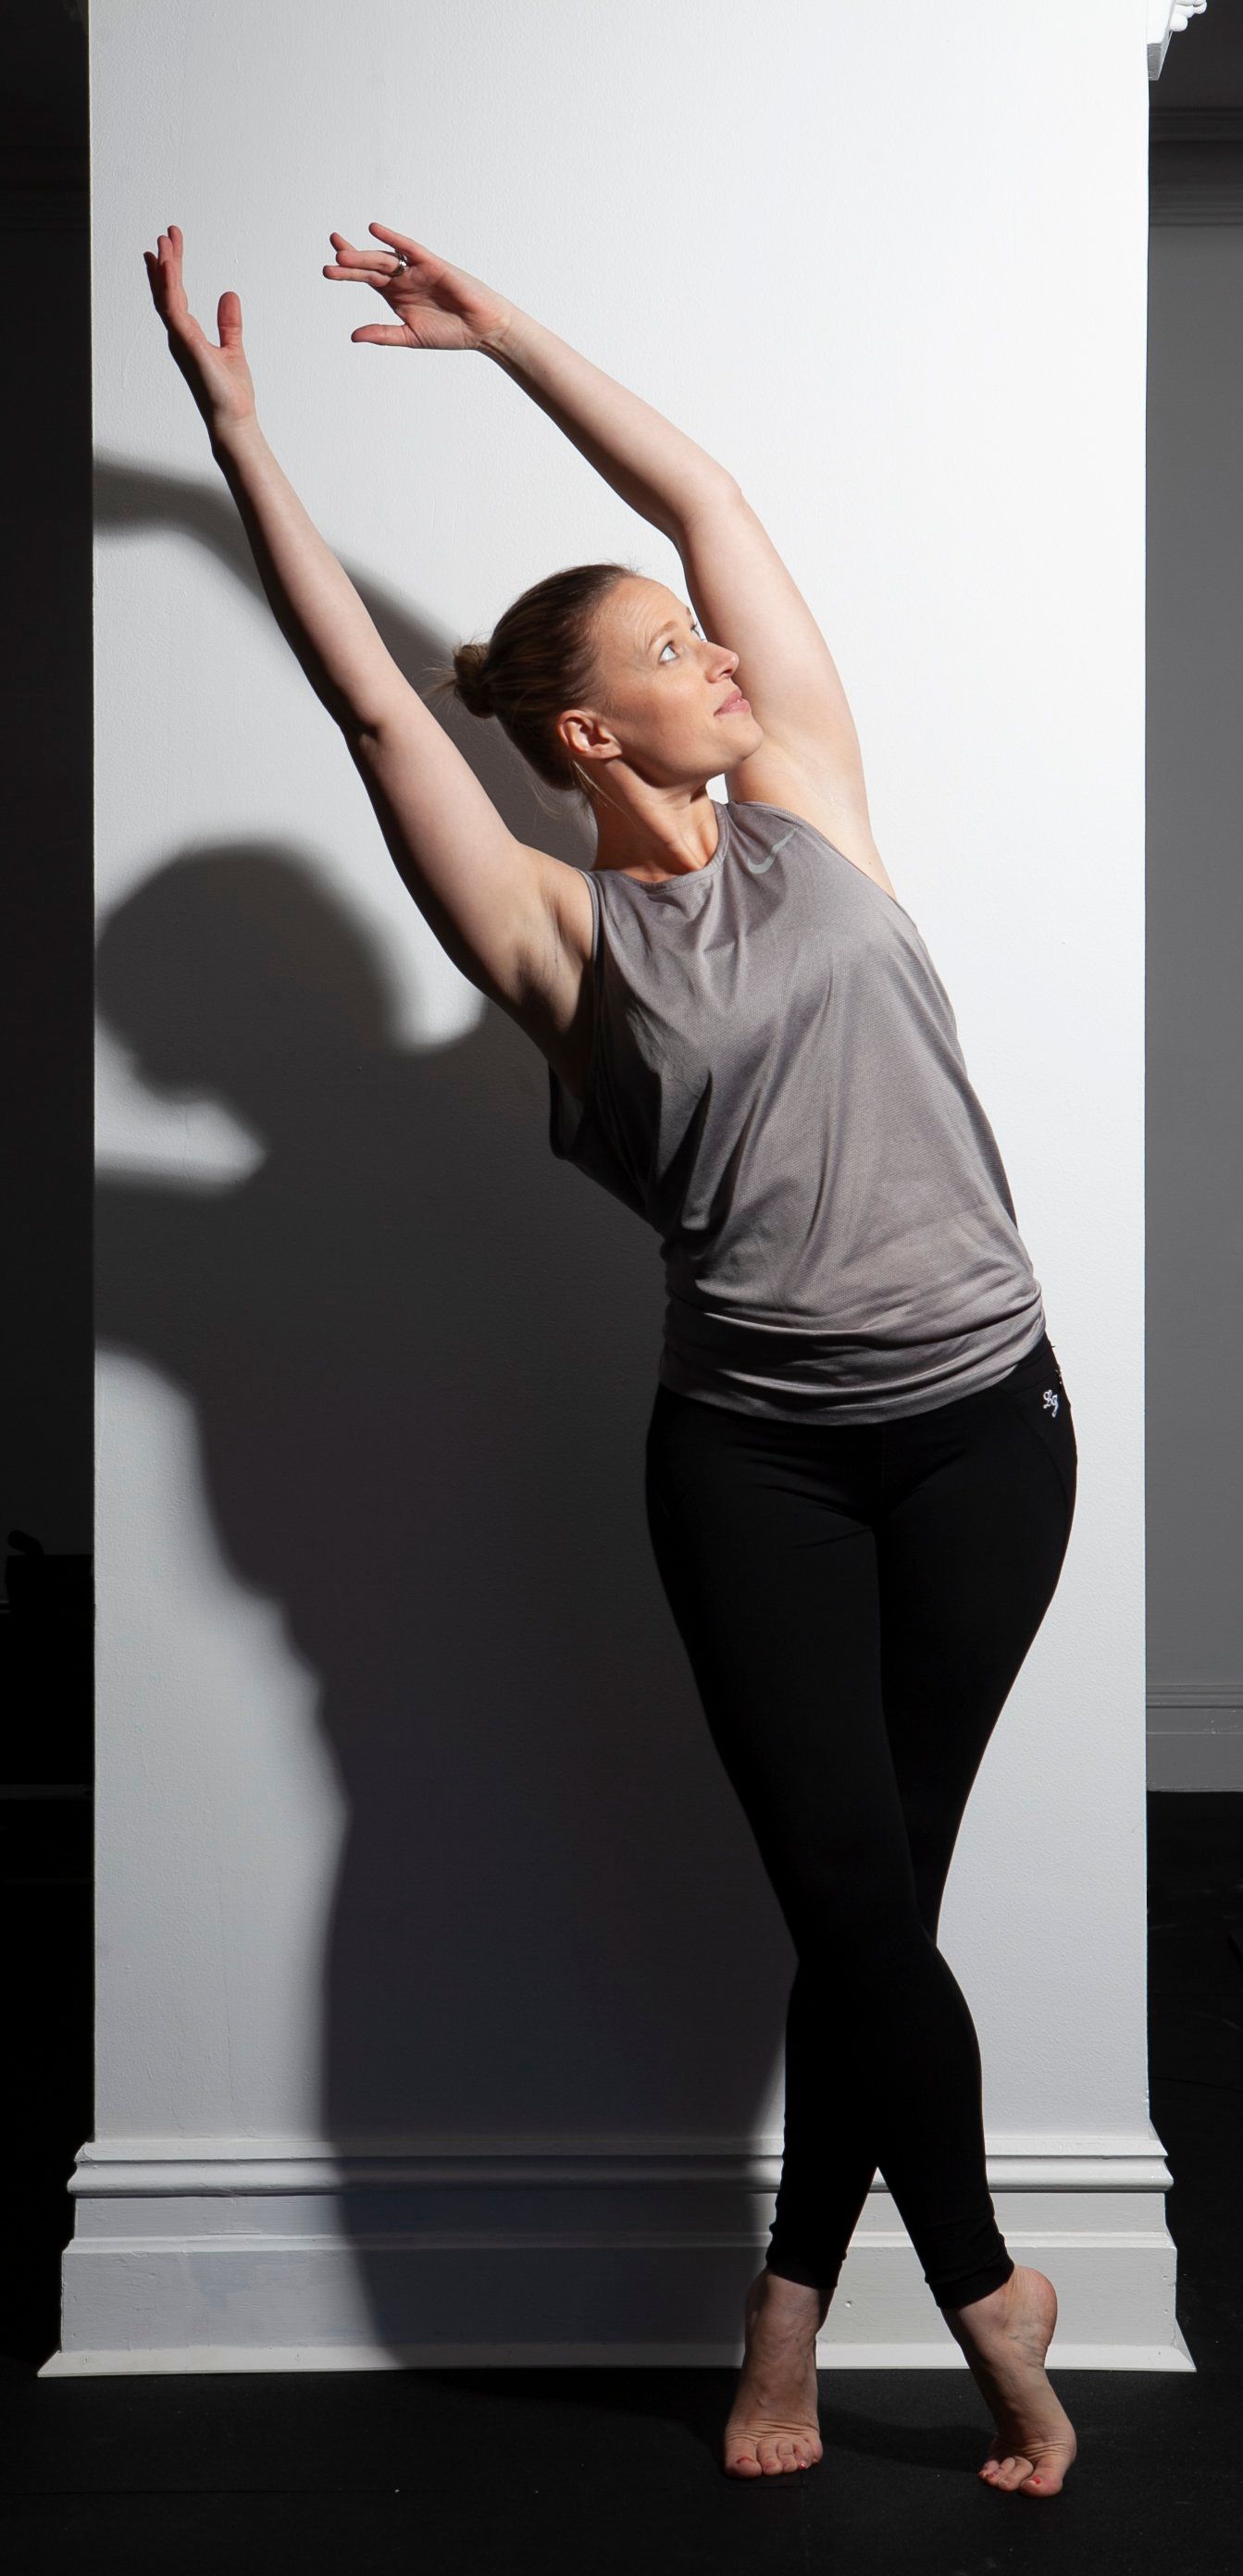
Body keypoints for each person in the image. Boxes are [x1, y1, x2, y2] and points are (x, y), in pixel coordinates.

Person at [143, 219, 1079, 2498]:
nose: (718, 654)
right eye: (671, 653)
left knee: (878, 1901)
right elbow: (380, 707)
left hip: (987, 1433)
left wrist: (504, 342)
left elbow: (705, 499)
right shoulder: (556, 940)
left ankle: (786, 2312)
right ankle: (989, 2297)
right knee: (850, 1893)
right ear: (590, 732)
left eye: (703, 636)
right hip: (755, 1467)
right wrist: (236, 442)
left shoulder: (814, 802)